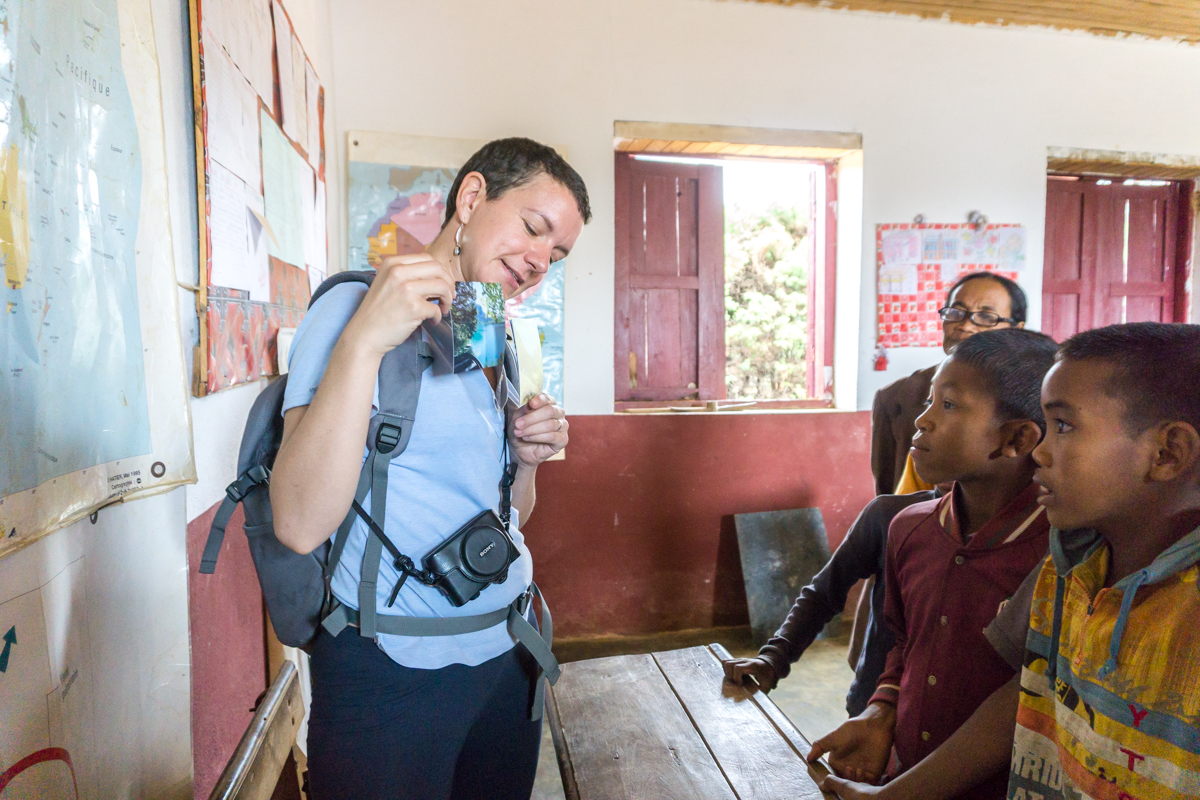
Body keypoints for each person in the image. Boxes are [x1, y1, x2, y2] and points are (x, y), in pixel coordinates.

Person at [269, 138, 590, 800]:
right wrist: (363, 342)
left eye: (556, 257)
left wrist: (526, 463)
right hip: (394, 668)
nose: (538, 262)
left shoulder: (482, 324)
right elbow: (298, 523)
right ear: (471, 199)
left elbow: (506, 515)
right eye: (533, 229)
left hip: (508, 653)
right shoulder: (349, 309)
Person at [816, 322, 1200, 800]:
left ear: (1168, 453)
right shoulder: (1070, 565)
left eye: (1063, 426)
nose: (1040, 451)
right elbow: (1026, 693)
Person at [808, 329, 1059, 800]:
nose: (921, 421)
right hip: (905, 771)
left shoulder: (1059, 551)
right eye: (929, 401)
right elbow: (908, 642)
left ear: (1018, 437)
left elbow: (1036, 697)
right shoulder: (910, 527)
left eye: (948, 405)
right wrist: (881, 710)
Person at [871, 273, 1027, 496]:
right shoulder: (897, 397)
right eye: (956, 313)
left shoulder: (1033, 393)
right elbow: (886, 492)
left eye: (985, 316)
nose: (965, 325)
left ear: (1017, 328)